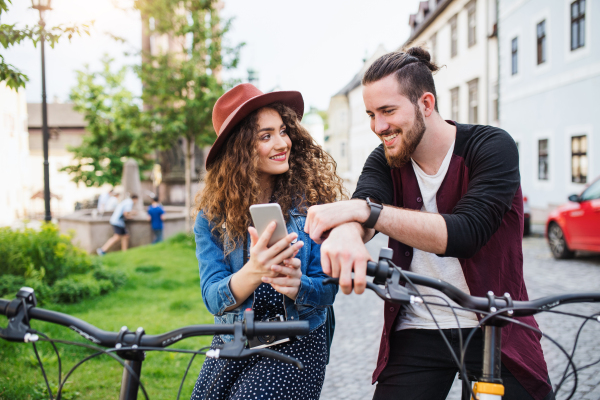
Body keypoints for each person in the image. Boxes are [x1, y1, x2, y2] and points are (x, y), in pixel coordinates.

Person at [304, 48, 553, 400]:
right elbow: (366, 203)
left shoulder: (491, 146)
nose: (379, 127)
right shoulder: (386, 158)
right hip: (418, 326)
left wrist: (364, 213)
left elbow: (466, 233)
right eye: (372, 114)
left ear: (426, 103)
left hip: (495, 324)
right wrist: (347, 231)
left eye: (388, 111)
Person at [190, 83, 345, 400]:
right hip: (236, 335)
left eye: (283, 131)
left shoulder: (312, 204)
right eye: (266, 136)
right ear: (240, 150)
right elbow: (212, 297)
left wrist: (299, 284)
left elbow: (328, 289)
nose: (282, 143)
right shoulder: (212, 217)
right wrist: (255, 269)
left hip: (298, 336)